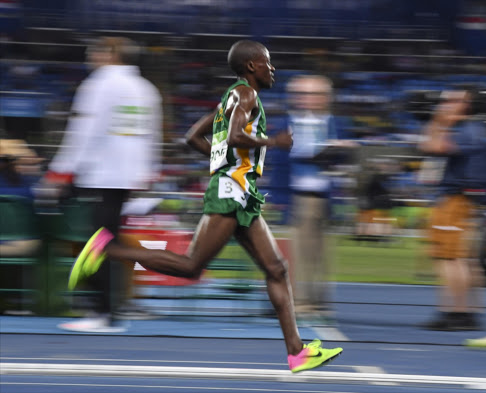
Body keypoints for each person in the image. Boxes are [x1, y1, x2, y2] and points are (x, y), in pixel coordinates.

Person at [68, 40, 342, 373]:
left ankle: (297, 353)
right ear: (252, 66)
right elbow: (235, 136)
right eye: (268, 63)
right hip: (230, 194)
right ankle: (107, 249)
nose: (273, 69)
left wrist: (225, 163)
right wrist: (274, 142)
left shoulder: (231, 96)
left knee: (278, 269)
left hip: (242, 193)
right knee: (191, 266)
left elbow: (193, 137)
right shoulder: (246, 96)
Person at [44, 37, 163, 332]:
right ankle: (112, 305)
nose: (90, 57)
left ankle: (102, 311)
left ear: (109, 54)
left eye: (93, 52)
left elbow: (83, 131)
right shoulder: (146, 88)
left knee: (98, 241)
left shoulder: (98, 84)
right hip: (126, 177)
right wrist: (149, 170)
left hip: (101, 175)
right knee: (104, 239)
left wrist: (60, 171)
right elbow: (153, 134)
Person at [418, 87, 486, 330]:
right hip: (468, 199)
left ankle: (456, 313)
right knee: (467, 259)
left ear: (467, 105)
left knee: (450, 258)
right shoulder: (480, 130)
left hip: (455, 199)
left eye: (452, 101)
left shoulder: (467, 131)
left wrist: (437, 120)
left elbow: (431, 146)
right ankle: (471, 313)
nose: (446, 104)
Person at [285, 74, 350, 318]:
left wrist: (343, 151)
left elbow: (346, 158)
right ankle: (302, 302)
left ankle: (320, 302)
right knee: (300, 252)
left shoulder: (336, 122)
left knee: (322, 253)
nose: (307, 99)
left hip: (327, 195)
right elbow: (285, 157)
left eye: (313, 94)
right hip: (300, 194)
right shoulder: (288, 122)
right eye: (302, 94)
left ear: (326, 98)